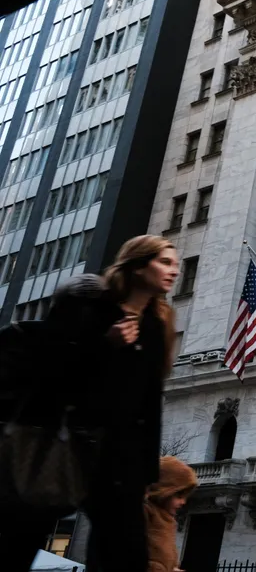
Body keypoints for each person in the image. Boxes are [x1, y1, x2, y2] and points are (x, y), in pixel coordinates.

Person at [0, 235, 179, 572]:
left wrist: (146, 471)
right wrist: (104, 344)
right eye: (165, 262)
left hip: (118, 458)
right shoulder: (88, 306)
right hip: (65, 445)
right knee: (21, 540)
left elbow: (148, 403)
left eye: (176, 263)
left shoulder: (158, 325)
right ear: (138, 266)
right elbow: (51, 373)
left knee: (125, 553)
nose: (175, 270)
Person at [145, 456, 198, 572]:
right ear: (165, 491)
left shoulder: (168, 519)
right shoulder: (146, 511)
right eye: (179, 496)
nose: (183, 502)